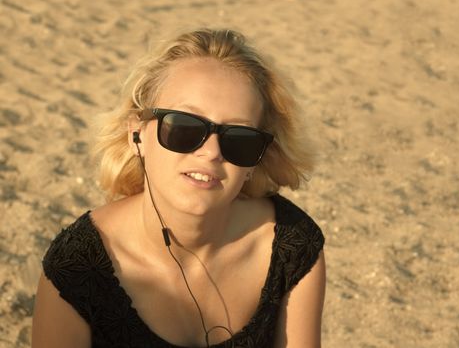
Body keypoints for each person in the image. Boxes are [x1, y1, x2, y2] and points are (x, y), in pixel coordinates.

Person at [32, 28, 325, 348]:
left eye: (239, 138)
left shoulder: (291, 246)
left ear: (255, 160)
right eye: (184, 127)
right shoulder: (77, 267)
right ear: (137, 135)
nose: (211, 152)